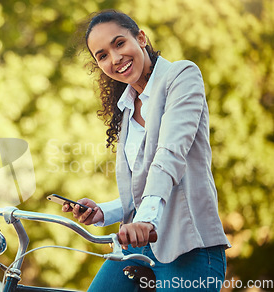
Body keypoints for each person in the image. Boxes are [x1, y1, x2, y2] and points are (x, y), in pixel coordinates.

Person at [62, 9, 231, 291]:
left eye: (119, 43)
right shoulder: (128, 108)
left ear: (140, 38)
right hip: (140, 249)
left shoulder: (181, 76)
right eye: (102, 55)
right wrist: (103, 212)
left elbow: (169, 155)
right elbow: (140, 189)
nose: (115, 59)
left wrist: (146, 220)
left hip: (189, 246)